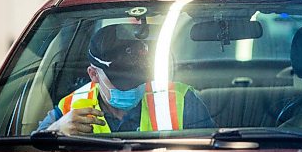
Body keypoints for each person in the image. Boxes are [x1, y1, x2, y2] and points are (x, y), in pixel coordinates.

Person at [37, 25, 215, 134]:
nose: (131, 88)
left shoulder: (181, 100)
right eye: (121, 81)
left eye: (138, 78)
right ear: (93, 74)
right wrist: (56, 130)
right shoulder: (70, 107)